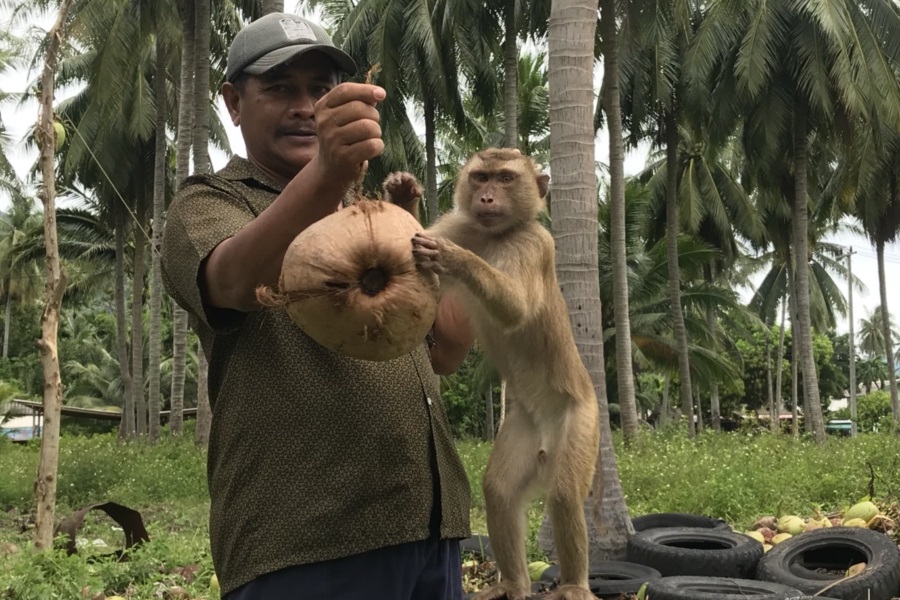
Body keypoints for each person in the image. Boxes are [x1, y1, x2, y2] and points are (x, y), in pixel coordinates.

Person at [160, 12, 475, 600]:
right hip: (305, 546)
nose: (305, 106)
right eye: (279, 88)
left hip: (432, 528)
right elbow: (231, 279)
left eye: (320, 89)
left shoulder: (364, 215)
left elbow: (443, 355)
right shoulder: (208, 202)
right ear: (232, 102)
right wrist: (329, 174)